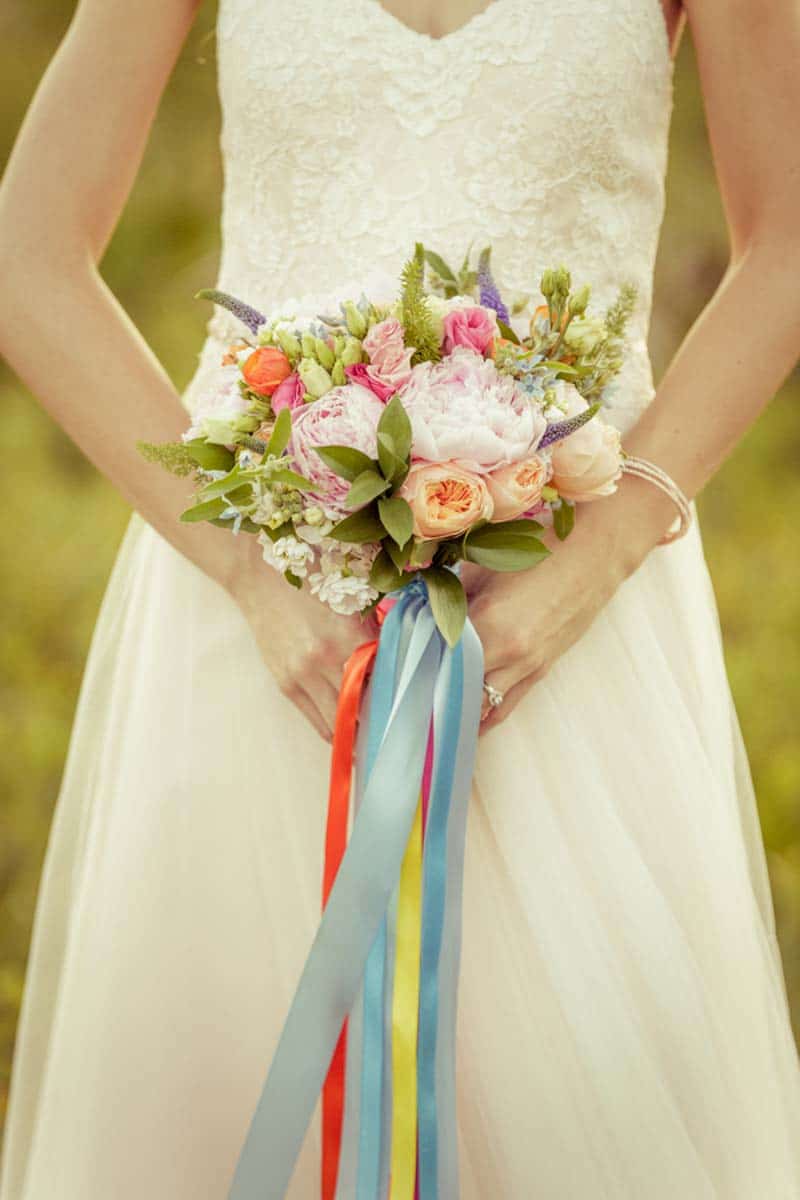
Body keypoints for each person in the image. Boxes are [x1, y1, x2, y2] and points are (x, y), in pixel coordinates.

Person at [2, 0, 800, 1195]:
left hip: (563, 616)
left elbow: (785, 238)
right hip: (258, 617)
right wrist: (242, 573)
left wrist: (603, 552)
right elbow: (27, 256)